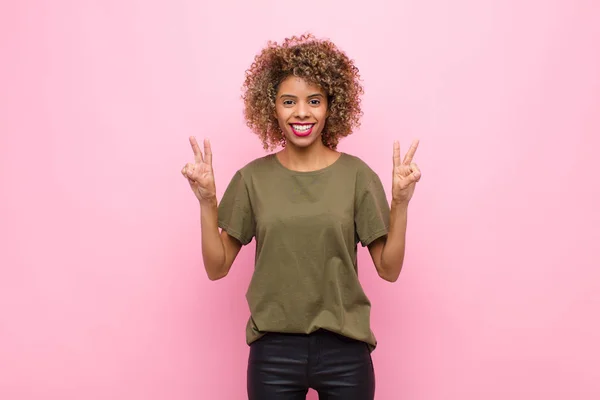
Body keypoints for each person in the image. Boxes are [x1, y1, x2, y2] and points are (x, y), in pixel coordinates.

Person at [181, 34, 421, 400]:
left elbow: (389, 269)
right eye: (289, 101)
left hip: (345, 352)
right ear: (271, 108)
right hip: (274, 353)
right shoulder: (252, 179)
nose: (302, 113)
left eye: (314, 101)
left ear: (331, 106)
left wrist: (400, 204)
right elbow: (217, 267)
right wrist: (206, 202)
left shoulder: (358, 177)